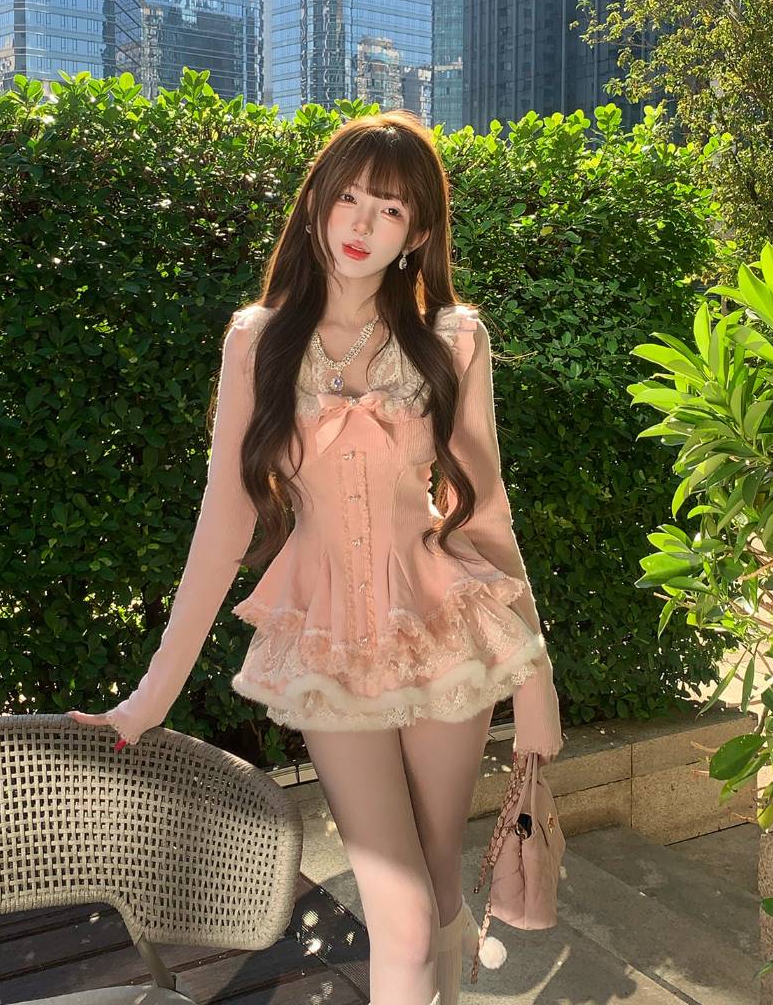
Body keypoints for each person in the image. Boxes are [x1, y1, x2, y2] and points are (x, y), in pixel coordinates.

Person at [68, 109, 564, 1005]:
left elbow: (483, 515)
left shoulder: (453, 338)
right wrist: (151, 697)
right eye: (350, 199)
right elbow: (224, 520)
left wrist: (536, 681)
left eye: (391, 210)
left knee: (438, 884)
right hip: (329, 644)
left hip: (446, 628)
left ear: (418, 235)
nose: (363, 224)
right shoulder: (258, 340)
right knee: (401, 912)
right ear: (315, 206)